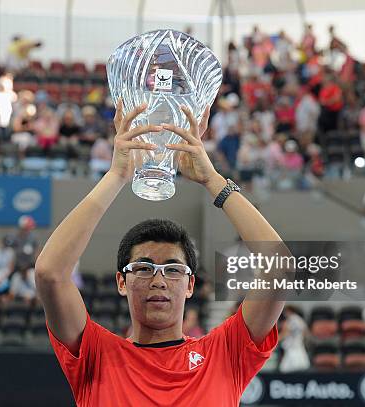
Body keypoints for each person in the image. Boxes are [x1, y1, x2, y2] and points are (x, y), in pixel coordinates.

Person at [35, 100, 284, 406]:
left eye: (173, 269)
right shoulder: (95, 356)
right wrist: (117, 176)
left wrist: (212, 180)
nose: (158, 280)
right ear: (121, 282)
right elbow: (50, 274)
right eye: (143, 267)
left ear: (191, 284)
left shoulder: (224, 355)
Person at [278, 305, 310, 373]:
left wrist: (275, 340)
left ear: (289, 311)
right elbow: (305, 332)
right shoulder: (300, 319)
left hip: (292, 347)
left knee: (285, 368)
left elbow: (285, 333)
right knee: (301, 367)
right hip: (298, 345)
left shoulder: (291, 320)